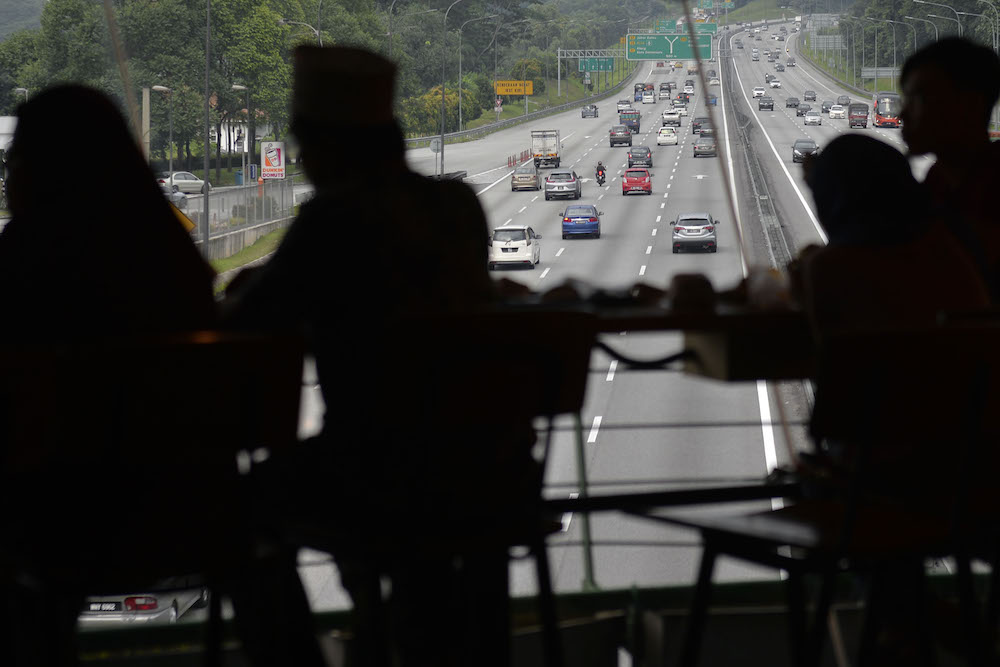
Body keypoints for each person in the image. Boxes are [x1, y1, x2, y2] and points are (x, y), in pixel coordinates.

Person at [223, 46, 530, 667]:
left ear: (328, 147)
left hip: (374, 468)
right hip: (491, 470)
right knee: (425, 550)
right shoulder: (456, 208)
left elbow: (255, 320)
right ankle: (396, 620)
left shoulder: (332, 222)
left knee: (236, 511)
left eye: (306, 145)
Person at [899, 37, 1000, 298]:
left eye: (917, 98)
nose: (902, 115)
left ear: (969, 104)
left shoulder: (991, 187)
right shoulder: (939, 179)